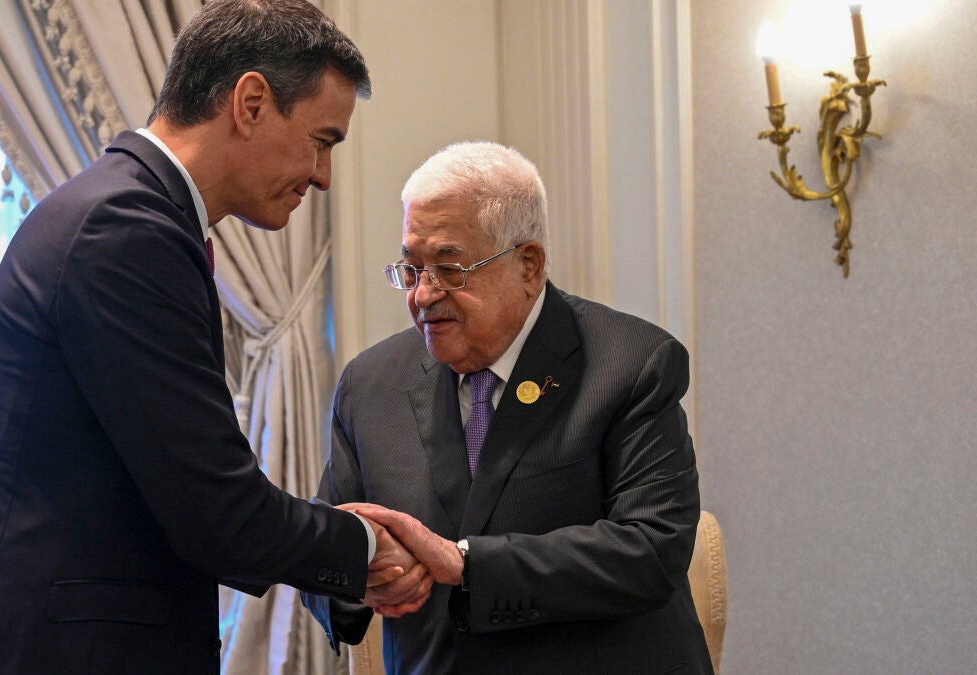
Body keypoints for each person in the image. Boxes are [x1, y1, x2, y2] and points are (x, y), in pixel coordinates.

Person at [0, 1, 421, 672]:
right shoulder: (126, 230)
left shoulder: (125, 210)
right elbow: (218, 513)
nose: (324, 175)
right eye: (322, 140)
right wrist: (364, 545)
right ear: (250, 103)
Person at [302, 141, 713, 674]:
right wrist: (361, 576)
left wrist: (466, 564)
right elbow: (326, 549)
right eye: (413, 268)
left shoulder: (632, 364)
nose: (423, 295)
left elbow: (652, 550)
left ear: (529, 265)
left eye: (449, 268)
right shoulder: (370, 384)